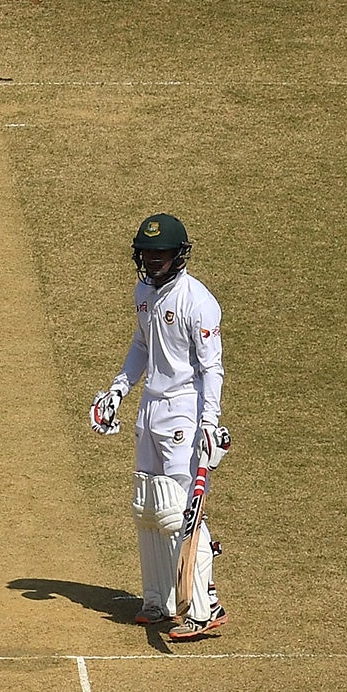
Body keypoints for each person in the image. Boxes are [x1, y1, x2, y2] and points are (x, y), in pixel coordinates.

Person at [87, 213, 232, 640]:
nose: (152, 261)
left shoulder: (198, 301)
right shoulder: (144, 293)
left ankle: (205, 605)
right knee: (148, 506)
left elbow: (212, 369)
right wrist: (118, 389)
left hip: (184, 411)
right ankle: (160, 599)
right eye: (147, 253)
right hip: (150, 406)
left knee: (180, 511)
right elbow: (141, 345)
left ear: (178, 255)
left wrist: (209, 422)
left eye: (161, 254)